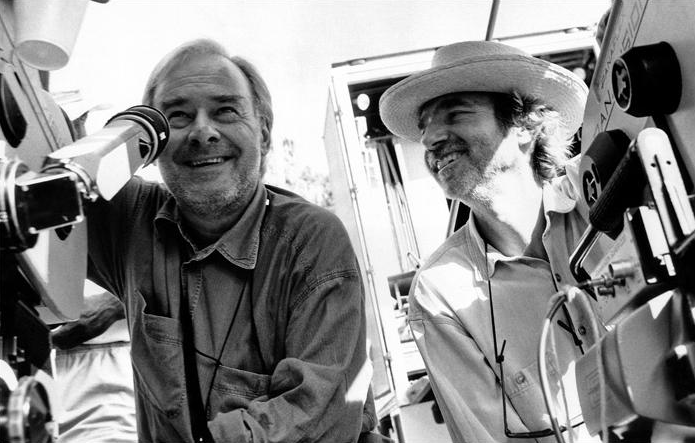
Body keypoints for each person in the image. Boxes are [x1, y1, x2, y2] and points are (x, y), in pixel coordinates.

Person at [86, 38, 374, 442]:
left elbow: (320, 413)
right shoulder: (131, 221)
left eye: (225, 110)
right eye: (177, 116)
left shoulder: (310, 239)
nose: (202, 132)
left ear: (264, 134)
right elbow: (36, 157)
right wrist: (123, 137)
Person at [378, 41, 601, 442]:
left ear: (525, 125)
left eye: (456, 113)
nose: (430, 139)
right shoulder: (440, 292)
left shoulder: (598, 192)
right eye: (424, 126)